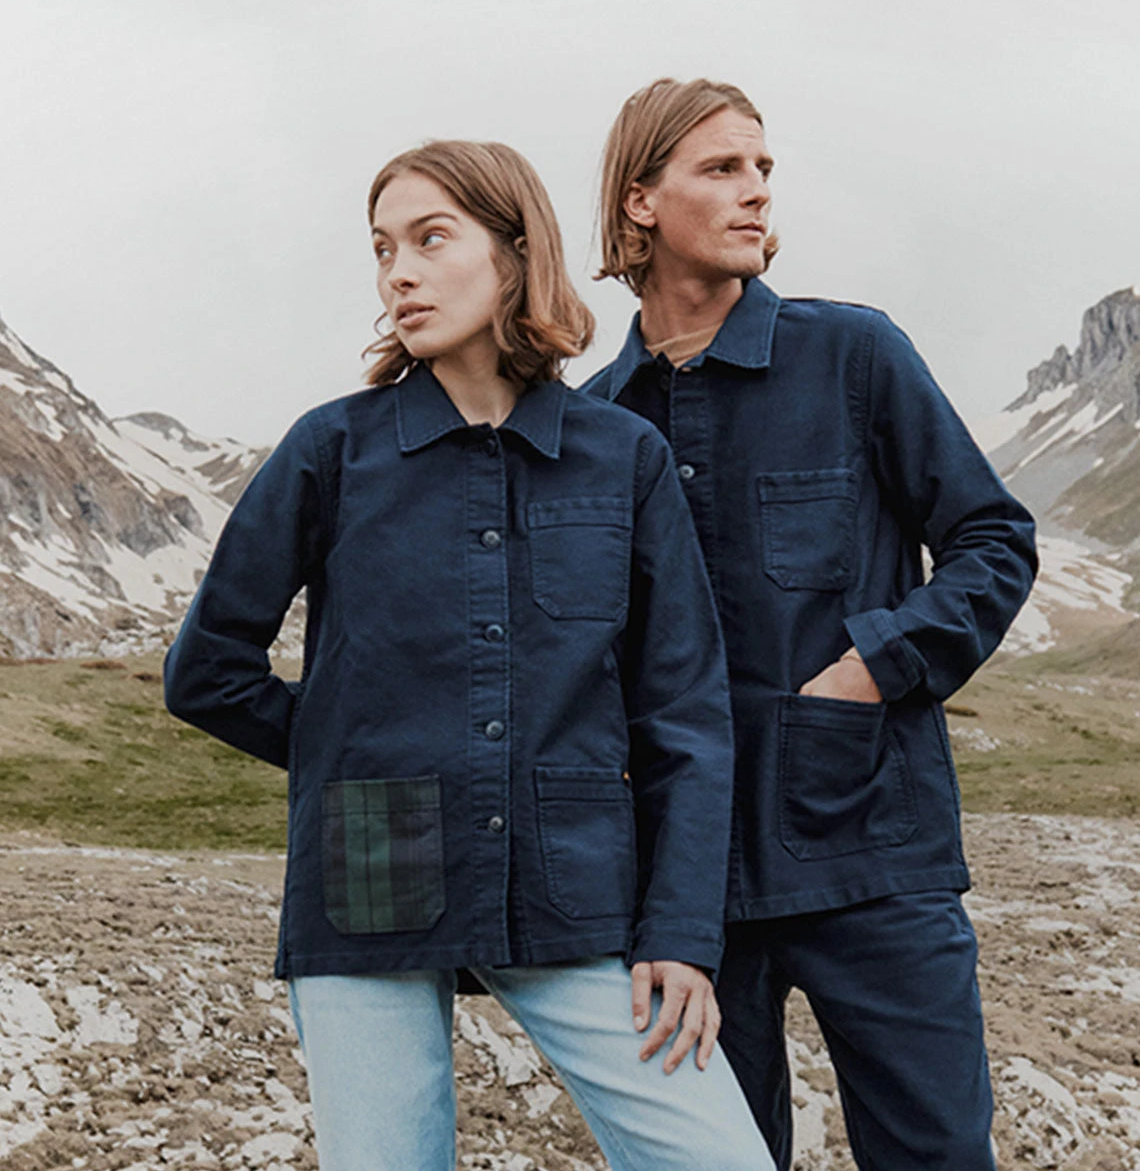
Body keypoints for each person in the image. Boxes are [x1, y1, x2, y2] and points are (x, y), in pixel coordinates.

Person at [163, 139, 774, 1171]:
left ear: (515, 250)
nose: (398, 273)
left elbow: (684, 714)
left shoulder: (624, 458)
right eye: (382, 249)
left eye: (430, 239)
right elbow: (206, 673)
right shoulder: (330, 451)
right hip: (371, 875)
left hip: (575, 875)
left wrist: (681, 933)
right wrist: (356, 754)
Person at [582, 78, 1039, 1171]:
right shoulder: (596, 425)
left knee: (936, 1157)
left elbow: (993, 540)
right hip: (685, 896)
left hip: (874, 846)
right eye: (721, 168)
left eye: (763, 169)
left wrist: (872, 669)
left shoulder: (855, 355)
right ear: (641, 201)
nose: (756, 192)